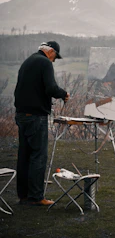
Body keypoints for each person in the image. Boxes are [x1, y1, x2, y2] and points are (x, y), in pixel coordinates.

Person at [14, 41, 69, 206]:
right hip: (36, 116)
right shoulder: (44, 62)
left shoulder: (29, 61)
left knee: (24, 156)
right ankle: (36, 197)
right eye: (55, 57)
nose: (54, 60)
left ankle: (23, 195)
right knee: (38, 156)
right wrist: (64, 94)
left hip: (22, 115)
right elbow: (50, 88)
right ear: (50, 51)